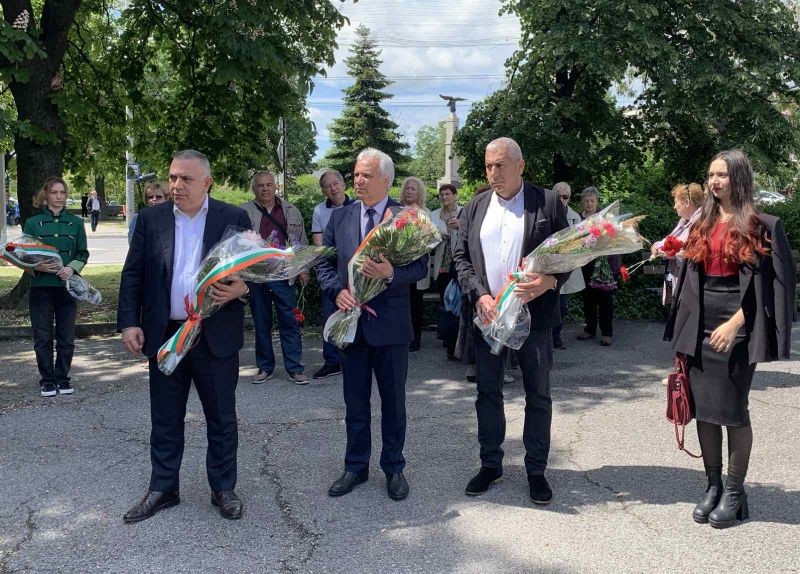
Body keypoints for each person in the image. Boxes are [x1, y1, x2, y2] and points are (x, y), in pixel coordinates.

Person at [118, 150, 252, 523]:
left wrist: (243, 288)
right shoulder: (151, 219)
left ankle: (223, 488)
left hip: (214, 335)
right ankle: (163, 488)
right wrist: (129, 322)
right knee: (165, 417)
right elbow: (133, 273)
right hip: (166, 334)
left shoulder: (233, 218)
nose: (176, 185)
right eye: (173, 177)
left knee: (221, 417)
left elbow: (255, 270)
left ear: (207, 182)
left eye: (186, 179)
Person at [665, 149, 796, 528]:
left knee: (733, 411)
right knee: (704, 409)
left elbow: (773, 287)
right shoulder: (702, 222)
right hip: (699, 323)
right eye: (711, 174)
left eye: (721, 174)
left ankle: (736, 492)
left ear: (738, 178)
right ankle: (713, 485)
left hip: (737, 325)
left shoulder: (762, 224)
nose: (714, 181)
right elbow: (691, 278)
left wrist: (737, 322)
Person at [453, 137, 569, 504]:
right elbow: (461, 258)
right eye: (488, 166)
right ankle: (491, 464)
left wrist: (549, 282)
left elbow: (569, 254)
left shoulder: (547, 202)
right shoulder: (475, 206)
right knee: (487, 392)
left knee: (538, 393)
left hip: (535, 316)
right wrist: (479, 295)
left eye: (500, 165)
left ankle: (536, 470)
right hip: (489, 314)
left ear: (520, 166)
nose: (493, 172)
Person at [316, 148, 429, 501]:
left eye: (366, 175)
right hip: (351, 325)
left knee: (393, 403)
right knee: (355, 403)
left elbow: (420, 267)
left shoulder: (405, 217)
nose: (358, 180)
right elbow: (323, 264)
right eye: (356, 174)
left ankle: (394, 467)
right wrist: (336, 291)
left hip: (391, 326)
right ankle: (355, 466)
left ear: (386, 180)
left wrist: (391, 273)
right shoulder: (341, 217)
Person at [240, 172, 309, 385]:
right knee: (261, 323)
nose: (265, 189)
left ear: (275, 186)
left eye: (269, 185)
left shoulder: (291, 210)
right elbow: (236, 245)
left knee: (290, 322)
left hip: (284, 275)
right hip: (257, 275)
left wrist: (303, 269)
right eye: (260, 185)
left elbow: (301, 242)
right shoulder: (243, 211)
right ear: (254, 188)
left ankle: (295, 368)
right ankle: (265, 367)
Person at [24, 177, 89, 397]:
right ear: (46, 195)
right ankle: (47, 380)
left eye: (62, 192)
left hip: (66, 288)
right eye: (54, 192)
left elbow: (82, 253)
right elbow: (23, 255)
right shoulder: (33, 223)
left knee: (66, 337)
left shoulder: (76, 223)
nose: (59, 197)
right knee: (42, 337)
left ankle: (62, 378)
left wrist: (71, 268)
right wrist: (36, 266)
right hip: (40, 287)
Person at [310, 170, 354, 380]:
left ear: (344, 184)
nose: (333, 189)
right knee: (330, 314)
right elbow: (320, 246)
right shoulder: (319, 210)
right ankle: (332, 361)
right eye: (328, 186)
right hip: (331, 270)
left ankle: (354, 359)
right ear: (323, 191)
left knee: (355, 314)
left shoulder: (357, 206)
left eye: (336, 184)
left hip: (354, 269)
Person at [576, 186, 620, 346]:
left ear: (597, 201)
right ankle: (590, 329)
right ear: (582, 202)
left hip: (604, 263)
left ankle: (607, 333)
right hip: (585, 263)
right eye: (586, 201)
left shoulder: (605, 217)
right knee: (588, 298)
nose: (589, 203)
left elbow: (614, 237)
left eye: (592, 201)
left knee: (605, 299)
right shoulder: (578, 219)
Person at [651, 183, 703, 305]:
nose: (674, 207)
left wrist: (673, 254)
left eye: (676, 202)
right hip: (680, 279)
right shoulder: (683, 222)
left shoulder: (700, 222)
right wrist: (656, 247)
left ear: (687, 202)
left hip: (691, 282)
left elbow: (699, 251)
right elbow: (667, 240)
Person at [550, 182, 585, 350]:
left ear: (569, 198)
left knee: (562, 306)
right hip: (549, 265)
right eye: (558, 196)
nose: (562, 199)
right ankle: (548, 337)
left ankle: (556, 336)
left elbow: (580, 240)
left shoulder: (574, 216)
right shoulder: (546, 212)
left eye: (565, 197)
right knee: (549, 304)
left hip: (566, 267)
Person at [430, 184, 462, 359]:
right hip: (442, 264)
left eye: (447, 194)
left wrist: (460, 225)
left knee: (458, 303)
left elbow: (471, 233)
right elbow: (429, 237)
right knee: (446, 301)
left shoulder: (463, 212)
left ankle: (456, 338)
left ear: (455, 195)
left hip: (459, 265)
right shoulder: (434, 215)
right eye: (441, 195)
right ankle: (448, 336)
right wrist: (438, 235)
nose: (444, 197)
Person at [400, 176, 429, 352]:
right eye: (407, 188)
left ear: (419, 193)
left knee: (416, 304)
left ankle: (415, 339)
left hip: (417, 266)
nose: (409, 191)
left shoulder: (425, 213)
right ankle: (401, 338)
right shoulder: (395, 210)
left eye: (413, 189)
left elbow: (429, 239)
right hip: (398, 267)